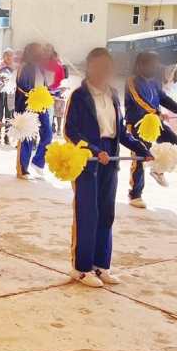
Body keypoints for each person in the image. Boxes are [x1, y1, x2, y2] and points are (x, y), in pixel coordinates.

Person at [64, 48, 151, 288]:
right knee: (87, 213)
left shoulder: (112, 95)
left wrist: (141, 148)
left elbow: (120, 131)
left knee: (106, 213)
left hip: (110, 159)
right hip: (88, 161)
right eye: (99, 66)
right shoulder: (79, 96)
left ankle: (101, 265)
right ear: (90, 67)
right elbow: (70, 131)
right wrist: (93, 150)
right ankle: (81, 268)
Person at [124, 51, 177, 208]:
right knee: (140, 157)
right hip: (137, 125)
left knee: (175, 142)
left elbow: (164, 99)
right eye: (152, 64)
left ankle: (158, 170)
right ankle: (135, 195)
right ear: (141, 65)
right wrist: (156, 112)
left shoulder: (154, 82)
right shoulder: (131, 81)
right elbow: (140, 101)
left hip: (155, 123)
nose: (155, 67)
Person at [15, 43, 53, 180]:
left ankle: (38, 162)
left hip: (41, 105)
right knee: (27, 136)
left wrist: (49, 93)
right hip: (27, 105)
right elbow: (21, 86)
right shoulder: (24, 67)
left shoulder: (41, 68)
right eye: (39, 51)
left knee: (48, 133)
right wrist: (33, 94)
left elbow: (44, 85)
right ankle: (22, 169)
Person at [0, 48, 15, 145]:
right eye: (7, 55)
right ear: (3, 56)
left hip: (10, 94)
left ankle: (6, 136)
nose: (9, 57)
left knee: (9, 116)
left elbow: (17, 79)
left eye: (11, 55)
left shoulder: (15, 67)